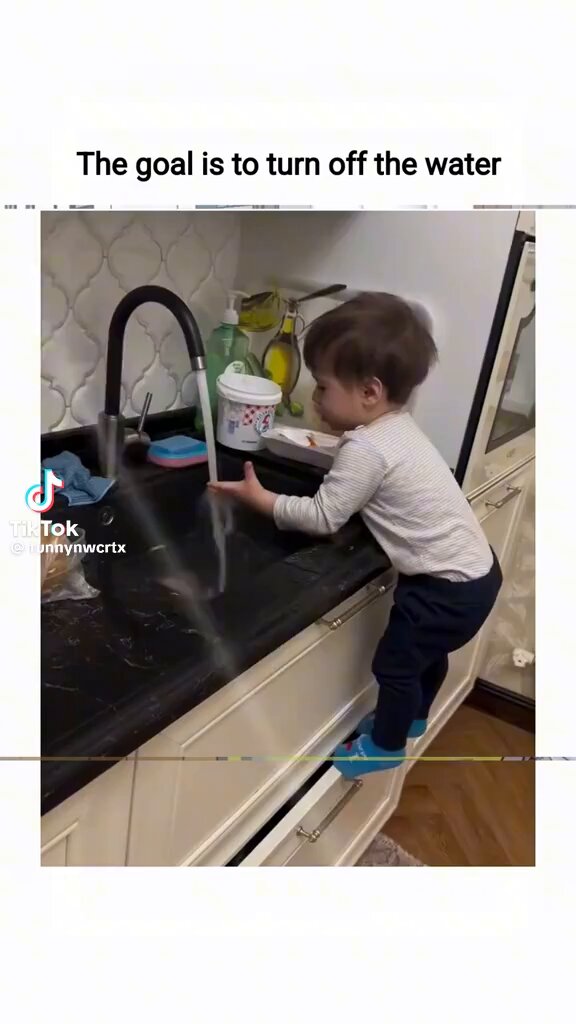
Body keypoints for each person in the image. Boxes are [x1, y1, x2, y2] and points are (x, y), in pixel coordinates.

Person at [208, 293, 502, 778]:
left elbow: (325, 516)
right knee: (427, 657)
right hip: (476, 575)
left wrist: (260, 499)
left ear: (369, 392)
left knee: (395, 665)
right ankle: (411, 717)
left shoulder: (366, 447)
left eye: (322, 387)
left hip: (444, 589)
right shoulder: (398, 428)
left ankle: (386, 745)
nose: (317, 400)